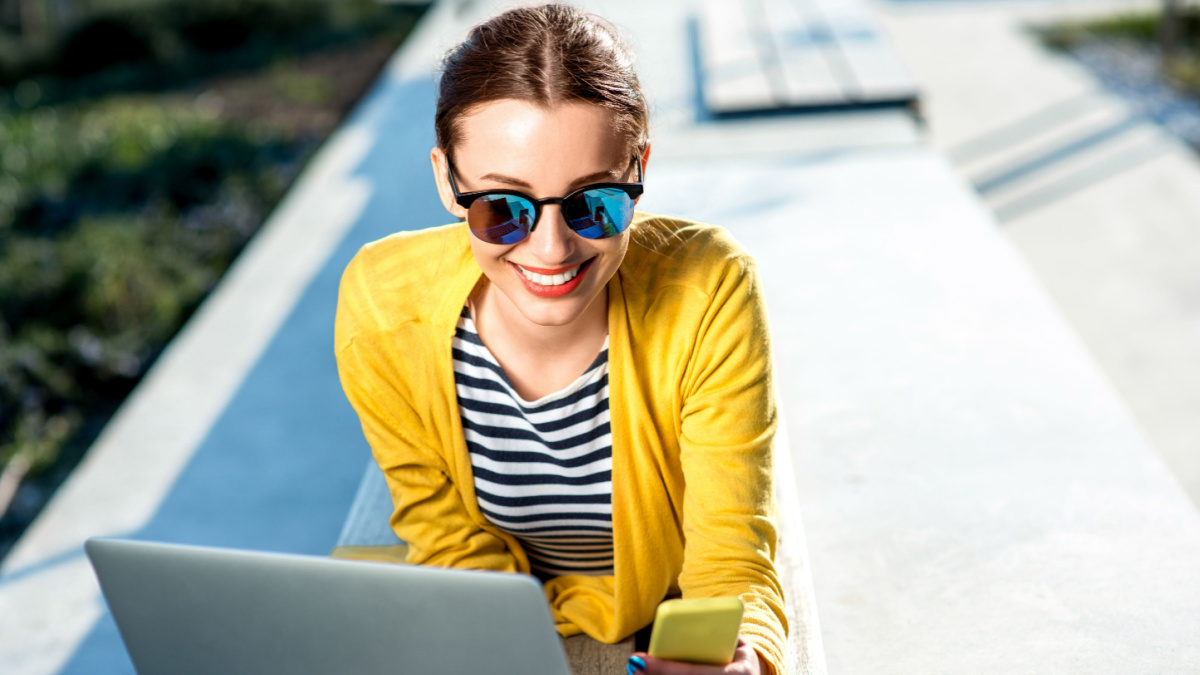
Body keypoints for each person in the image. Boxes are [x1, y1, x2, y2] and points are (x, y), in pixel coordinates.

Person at [333, 4, 787, 674]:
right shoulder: (382, 301)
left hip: (660, 614)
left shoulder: (709, 288)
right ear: (445, 179)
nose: (551, 249)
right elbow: (444, 532)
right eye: (502, 208)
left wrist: (739, 659)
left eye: (594, 201)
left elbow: (727, 557)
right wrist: (508, 639)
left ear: (639, 169)